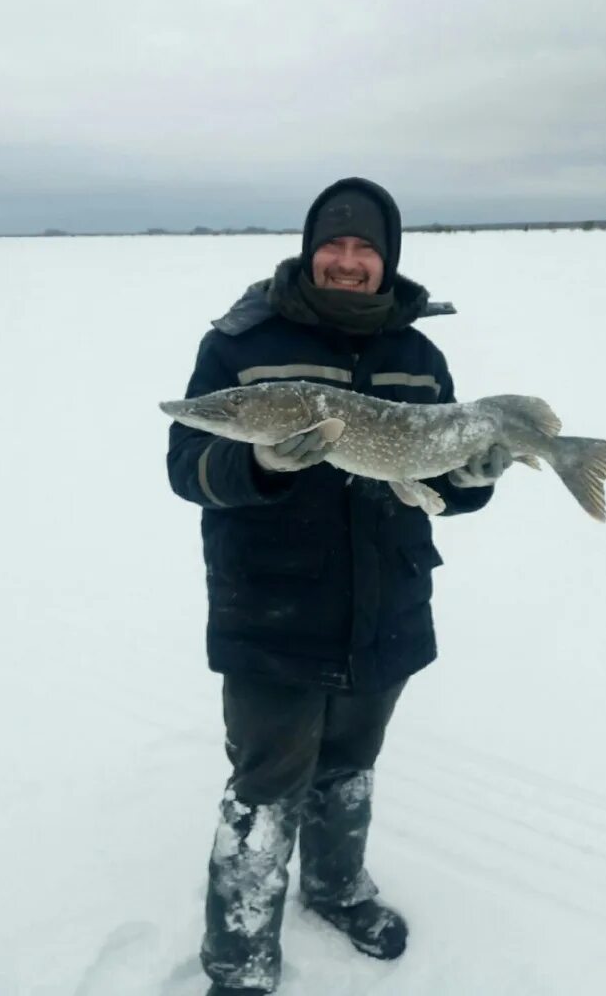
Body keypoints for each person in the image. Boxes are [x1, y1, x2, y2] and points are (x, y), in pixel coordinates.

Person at [166, 178, 511, 995]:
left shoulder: (419, 358)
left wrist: (478, 474)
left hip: (386, 603)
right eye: (334, 243)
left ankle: (336, 888)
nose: (348, 260)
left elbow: (442, 478)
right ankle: (240, 961)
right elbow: (187, 467)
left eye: (365, 248)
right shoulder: (242, 342)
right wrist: (257, 461)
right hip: (273, 608)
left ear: (386, 259)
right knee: (266, 782)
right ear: (309, 247)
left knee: (351, 762)